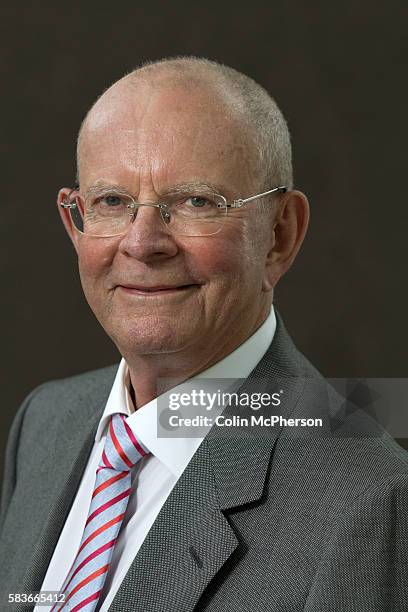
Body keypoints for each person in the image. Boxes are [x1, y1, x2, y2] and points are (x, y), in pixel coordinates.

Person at [1, 56, 407, 612]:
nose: (142, 244)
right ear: (76, 220)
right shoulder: (44, 423)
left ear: (280, 236)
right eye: (112, 202)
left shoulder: (366, 501)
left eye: (195, 202)